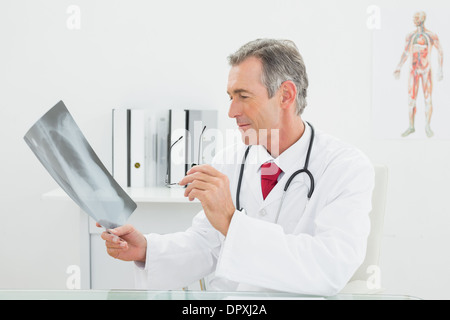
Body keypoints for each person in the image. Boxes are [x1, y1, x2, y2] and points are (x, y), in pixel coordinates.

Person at [99, 39, 375, 296]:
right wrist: (147, 250)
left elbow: (330, 267)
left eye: (243, 96)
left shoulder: (346, 168)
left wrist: (232, 222)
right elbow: (206, 243)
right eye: (230, 96)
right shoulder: (230, 159)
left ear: (286, 96)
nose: (231, 111)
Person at [394, 11, 444, 138]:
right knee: (411, 99)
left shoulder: (431, 35)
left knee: (428, 98)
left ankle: (427, 126)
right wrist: (399, 67)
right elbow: (405, 52)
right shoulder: (410, 35)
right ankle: (411, 126)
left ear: (423, 18)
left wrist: (440, 69)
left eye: (417, 17)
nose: (414, 19)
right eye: (414, 17)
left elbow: (440, 51)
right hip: (413, 70)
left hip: (426, 70)